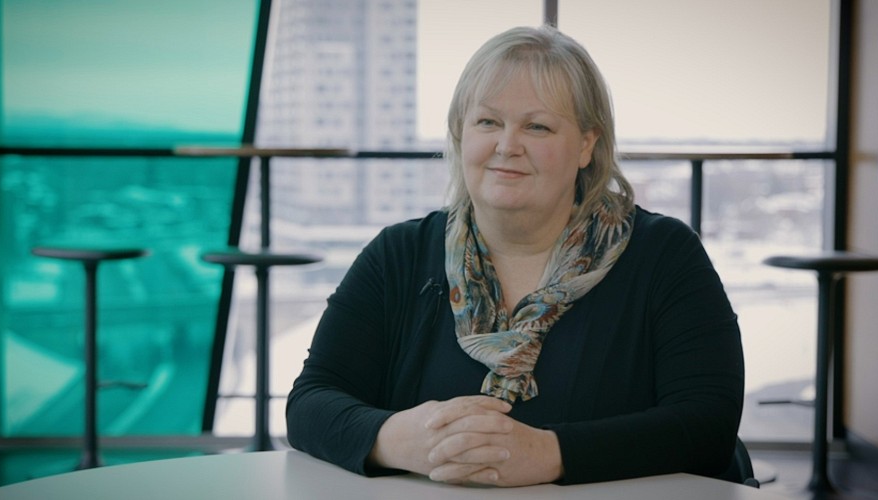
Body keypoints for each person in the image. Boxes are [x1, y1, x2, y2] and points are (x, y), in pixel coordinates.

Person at [286, 25, 744, 487]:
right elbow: (310, 402)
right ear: (461, 134)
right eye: (487, 122)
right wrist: (401, 439)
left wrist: (550, 454)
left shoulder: (664, 254)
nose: (507, 146)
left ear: (586, 144)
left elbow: (708, 423)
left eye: (536, 126)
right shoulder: (398, 255)